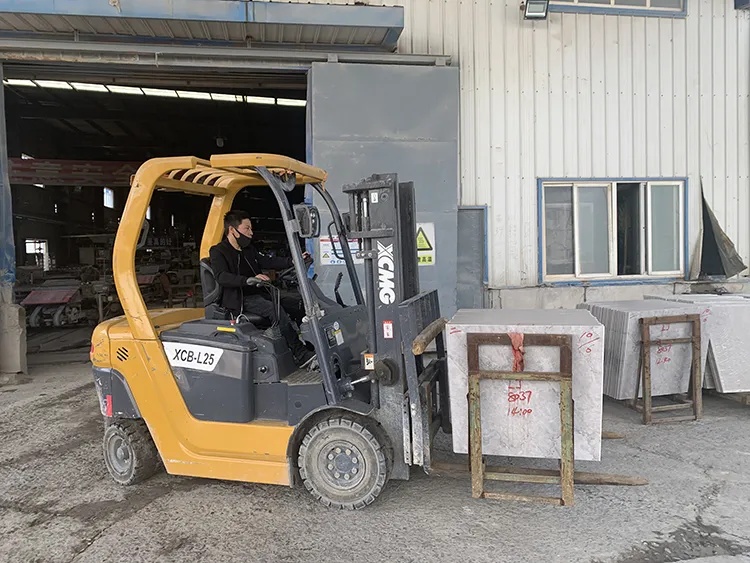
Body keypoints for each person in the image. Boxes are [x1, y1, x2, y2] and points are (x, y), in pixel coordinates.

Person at [209, 210, 314, 366]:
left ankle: (311, 345)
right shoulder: (218, 251)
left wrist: (292, 261)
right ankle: (301, 354)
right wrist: (248, 280)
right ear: (232, 230)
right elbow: (222, 276)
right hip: (241, 299)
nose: (251, 233)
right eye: (247, 228)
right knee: (275, 310)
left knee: (299, 303)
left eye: (251, 229)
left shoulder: (248, 250)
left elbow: (268, 261)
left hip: (261, 293)